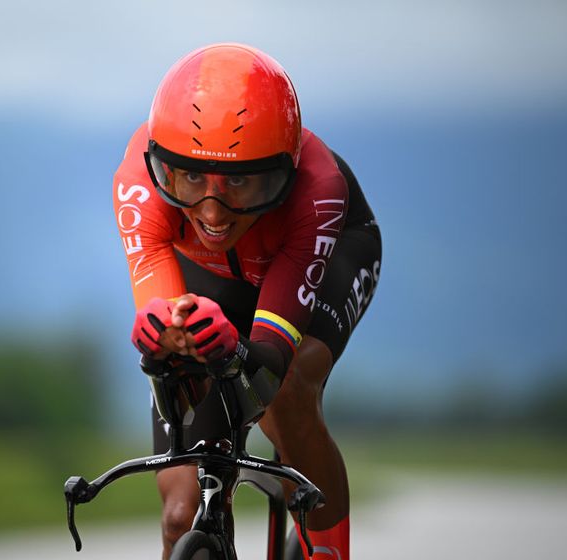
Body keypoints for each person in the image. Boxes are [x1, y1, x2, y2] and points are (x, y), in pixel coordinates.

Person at [113, 43, 381, 560]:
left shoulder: (317, 190)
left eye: (238, 182)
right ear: (162, 167)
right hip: (211, 281)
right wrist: (163, 335)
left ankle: (326, 549)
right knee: (180, 512)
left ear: (282, 172)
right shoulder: (139, 181)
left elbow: (272, 358)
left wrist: (240, 349)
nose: (213, 212)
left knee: (289, 391)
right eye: (190, 177)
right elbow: (165, 333)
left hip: (325, 255)